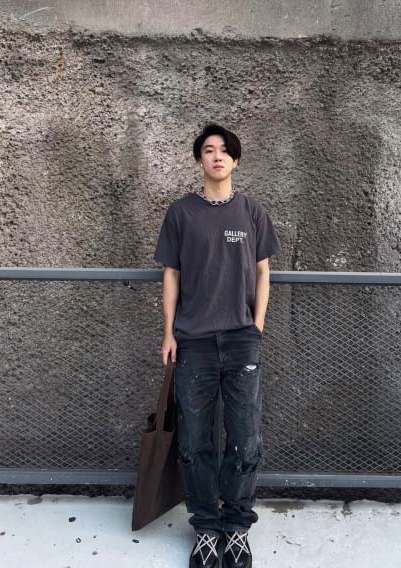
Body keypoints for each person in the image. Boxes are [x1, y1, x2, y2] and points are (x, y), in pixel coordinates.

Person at [154, 123, 280, 568]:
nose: (217, 156)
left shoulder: (252, 213)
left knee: (245, 439)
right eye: (209, 150)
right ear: (199, 160)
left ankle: (237, 528)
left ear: (236, 160)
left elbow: (263, 273)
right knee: (195, 441)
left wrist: (256, 326)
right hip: (194, 342)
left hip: (242, 341)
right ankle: (207, 529)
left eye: (225, 150)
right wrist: (169, 332)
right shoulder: (180, 214)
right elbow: (171, 274)